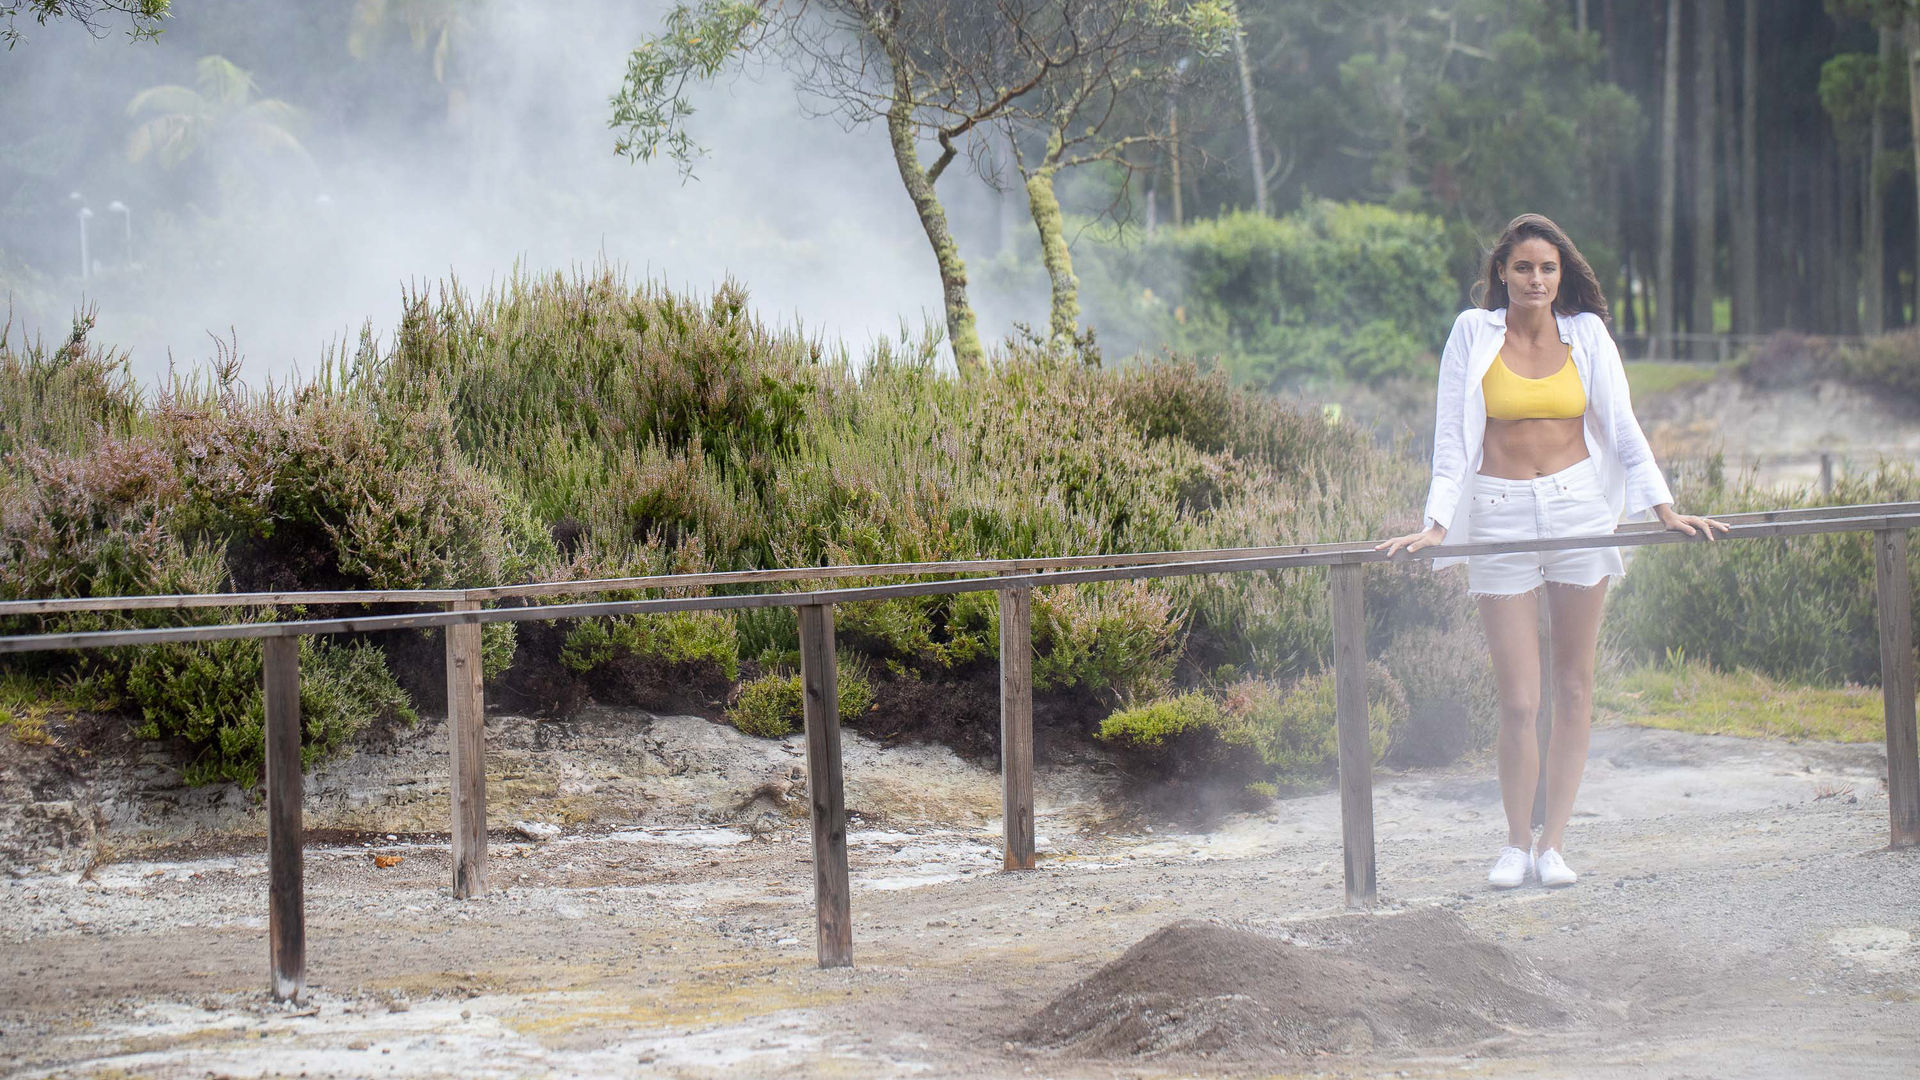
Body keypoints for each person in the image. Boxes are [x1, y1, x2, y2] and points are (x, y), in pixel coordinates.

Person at [1376, 213, 1728, 889]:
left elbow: (1623, 427)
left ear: (1560, 275)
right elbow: (1451, 438)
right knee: (1518, 700)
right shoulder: (1471, 333)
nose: (1536, 279)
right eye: (1523, 268)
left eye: (1548, 268)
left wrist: (1664, 508)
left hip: (1577, 510)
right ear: (1501, 273)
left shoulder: (1588, 335)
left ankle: (1554, 845)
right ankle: (1514, 843)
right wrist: (1437, 525)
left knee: (1573, 685)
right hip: (1501, 513)